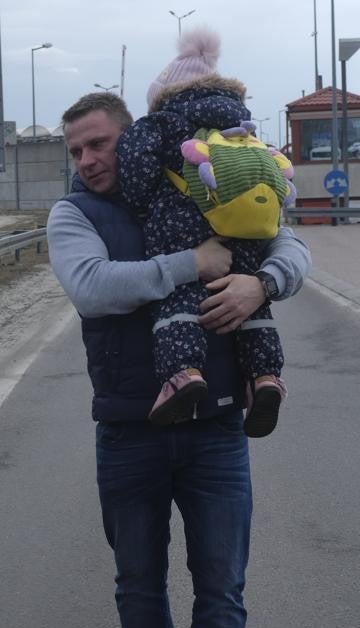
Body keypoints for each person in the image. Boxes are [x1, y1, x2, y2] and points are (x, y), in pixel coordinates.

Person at [48, 91, 310, 628]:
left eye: (98, 143)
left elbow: (289, 244)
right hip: (129, 431)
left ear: (131, 137)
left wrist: (259, 284)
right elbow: (91, 288)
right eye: (76, 150)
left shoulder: (197, 182)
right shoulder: (75, 214)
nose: (86, 160)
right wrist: (192, 262)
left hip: (215, 430)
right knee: (138, 585)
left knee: (222, 586)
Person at [116, 27, 294, 436]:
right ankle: (265, 378)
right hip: (243, 229)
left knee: (179, 301)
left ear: (164, 90)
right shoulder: (241, 123)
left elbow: (137, 164)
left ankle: (184, 374)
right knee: (249, 303)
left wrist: (143, 203)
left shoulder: (163, 118)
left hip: (180, 227)